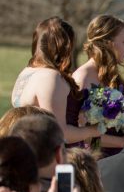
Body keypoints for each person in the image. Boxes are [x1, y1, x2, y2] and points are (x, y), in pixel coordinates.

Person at [10, 17, 102, 147]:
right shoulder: (50, 78)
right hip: (55, 157)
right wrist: (94, 130)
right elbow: (60, 133)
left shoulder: (26, 72)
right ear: (64, 46)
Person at [72, 15, 124, 157]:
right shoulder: (83, 77)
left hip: (120, 156)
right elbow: (80, 136)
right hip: (97, 160)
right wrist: (121, 142)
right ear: (108, 43)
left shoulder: (111, 76)